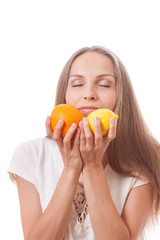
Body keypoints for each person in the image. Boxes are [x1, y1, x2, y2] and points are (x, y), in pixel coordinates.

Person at [8, 46, 160, 240]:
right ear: (65, 94)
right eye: (77, 84)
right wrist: (71, 168)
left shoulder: (144, 160)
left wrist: (92, 166)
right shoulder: (30, 156)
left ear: (121, 97)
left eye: (104, 84)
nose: (89, 94)